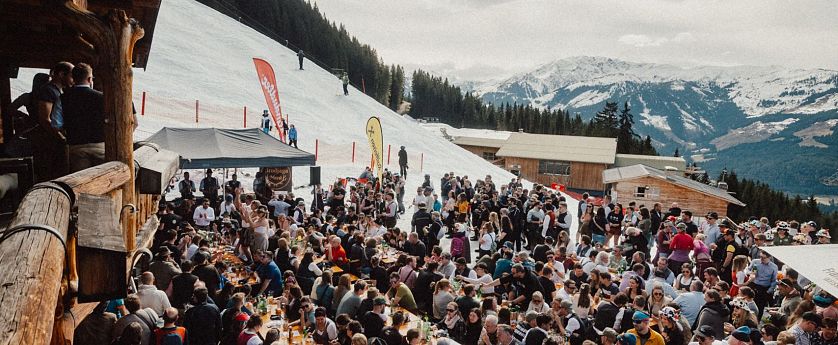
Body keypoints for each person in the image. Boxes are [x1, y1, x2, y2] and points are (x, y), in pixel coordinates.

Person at [61, 63, 105, 172]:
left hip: (76, 147)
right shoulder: (102, 97)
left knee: (80, 183)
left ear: (73, 78)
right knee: (102, 180)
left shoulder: (63, 97)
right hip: (100, 146)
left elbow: (56, 123)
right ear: (90, 79)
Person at [33, 61, 73, 181]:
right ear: (61, 74)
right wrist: (60, 138)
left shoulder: (59, 91)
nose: (73, 79)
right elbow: (45, 119)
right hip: (49, 141)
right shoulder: (48, 91)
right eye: (71, 76)